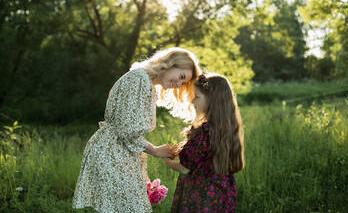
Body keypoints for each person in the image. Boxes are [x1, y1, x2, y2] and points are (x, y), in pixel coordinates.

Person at [72, 47, 201, 213]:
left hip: (119, 153)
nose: (178, 84)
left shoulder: (145, 82)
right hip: (113, 154)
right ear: (170, 64)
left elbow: (127, 128)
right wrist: (154, 150)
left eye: (183, 83)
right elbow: (126, 129)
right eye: (181, 77)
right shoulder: (139, 79)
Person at [163, 74, 245, 213]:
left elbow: (185, 168)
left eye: (197, 97)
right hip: (223, 195)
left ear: (212, 100)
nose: (192, 101)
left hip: (199, 197)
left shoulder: (204, 131)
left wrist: (167, 160)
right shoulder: (229, 129)